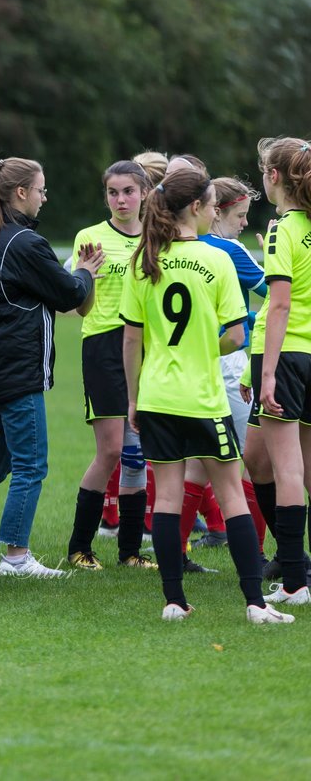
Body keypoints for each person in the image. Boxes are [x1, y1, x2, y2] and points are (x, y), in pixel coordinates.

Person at [121, 168, 292, 624]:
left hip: (156, 396)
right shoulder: (216, 259)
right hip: (201, 397)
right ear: (195, 208)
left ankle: (173, 601)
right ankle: (255, 603)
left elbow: (132, 341)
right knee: (232, 494)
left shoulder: (145, 259)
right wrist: (202, 347)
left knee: (170, 499)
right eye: (214, 204)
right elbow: (236, 336)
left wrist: (134, 400)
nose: (216, 211)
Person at [0, 158, 101, 578]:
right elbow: (68, 295)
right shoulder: (25, 242)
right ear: (21, 192)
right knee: (30, 464)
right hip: (18, 371)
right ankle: (15, 556)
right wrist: (84, 272)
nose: (44, 197)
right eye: (41, 190)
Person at [64, 160, 158, 571]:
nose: (120, 200)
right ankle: (79, 548)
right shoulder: (91, 238)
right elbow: (79, 307)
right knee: (111, 450)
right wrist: (85, 275)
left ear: (144, 193)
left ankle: (130, 552)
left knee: (138, 452)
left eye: (128, 192)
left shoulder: (156, 239)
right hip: (103, 347)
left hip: (145, 349)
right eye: (113, 192)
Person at [174, 177, 268, 568]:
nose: (245, 223)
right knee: (259, 461)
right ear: (218, 212)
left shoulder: (183, 248)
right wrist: (250, 317)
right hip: (228, 361)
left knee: (197, 462)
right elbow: (279, 296)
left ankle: (175, 552)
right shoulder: (229, 250)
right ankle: (262, 556)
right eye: (241, 215)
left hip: (189, 362)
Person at [252, 137, 311, 605]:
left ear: (274, 178)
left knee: (287, 470)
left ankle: (294, 583)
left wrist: (267, 373)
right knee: (300, 468)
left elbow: (280, 304)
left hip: (286, 355)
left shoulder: (281, 229)